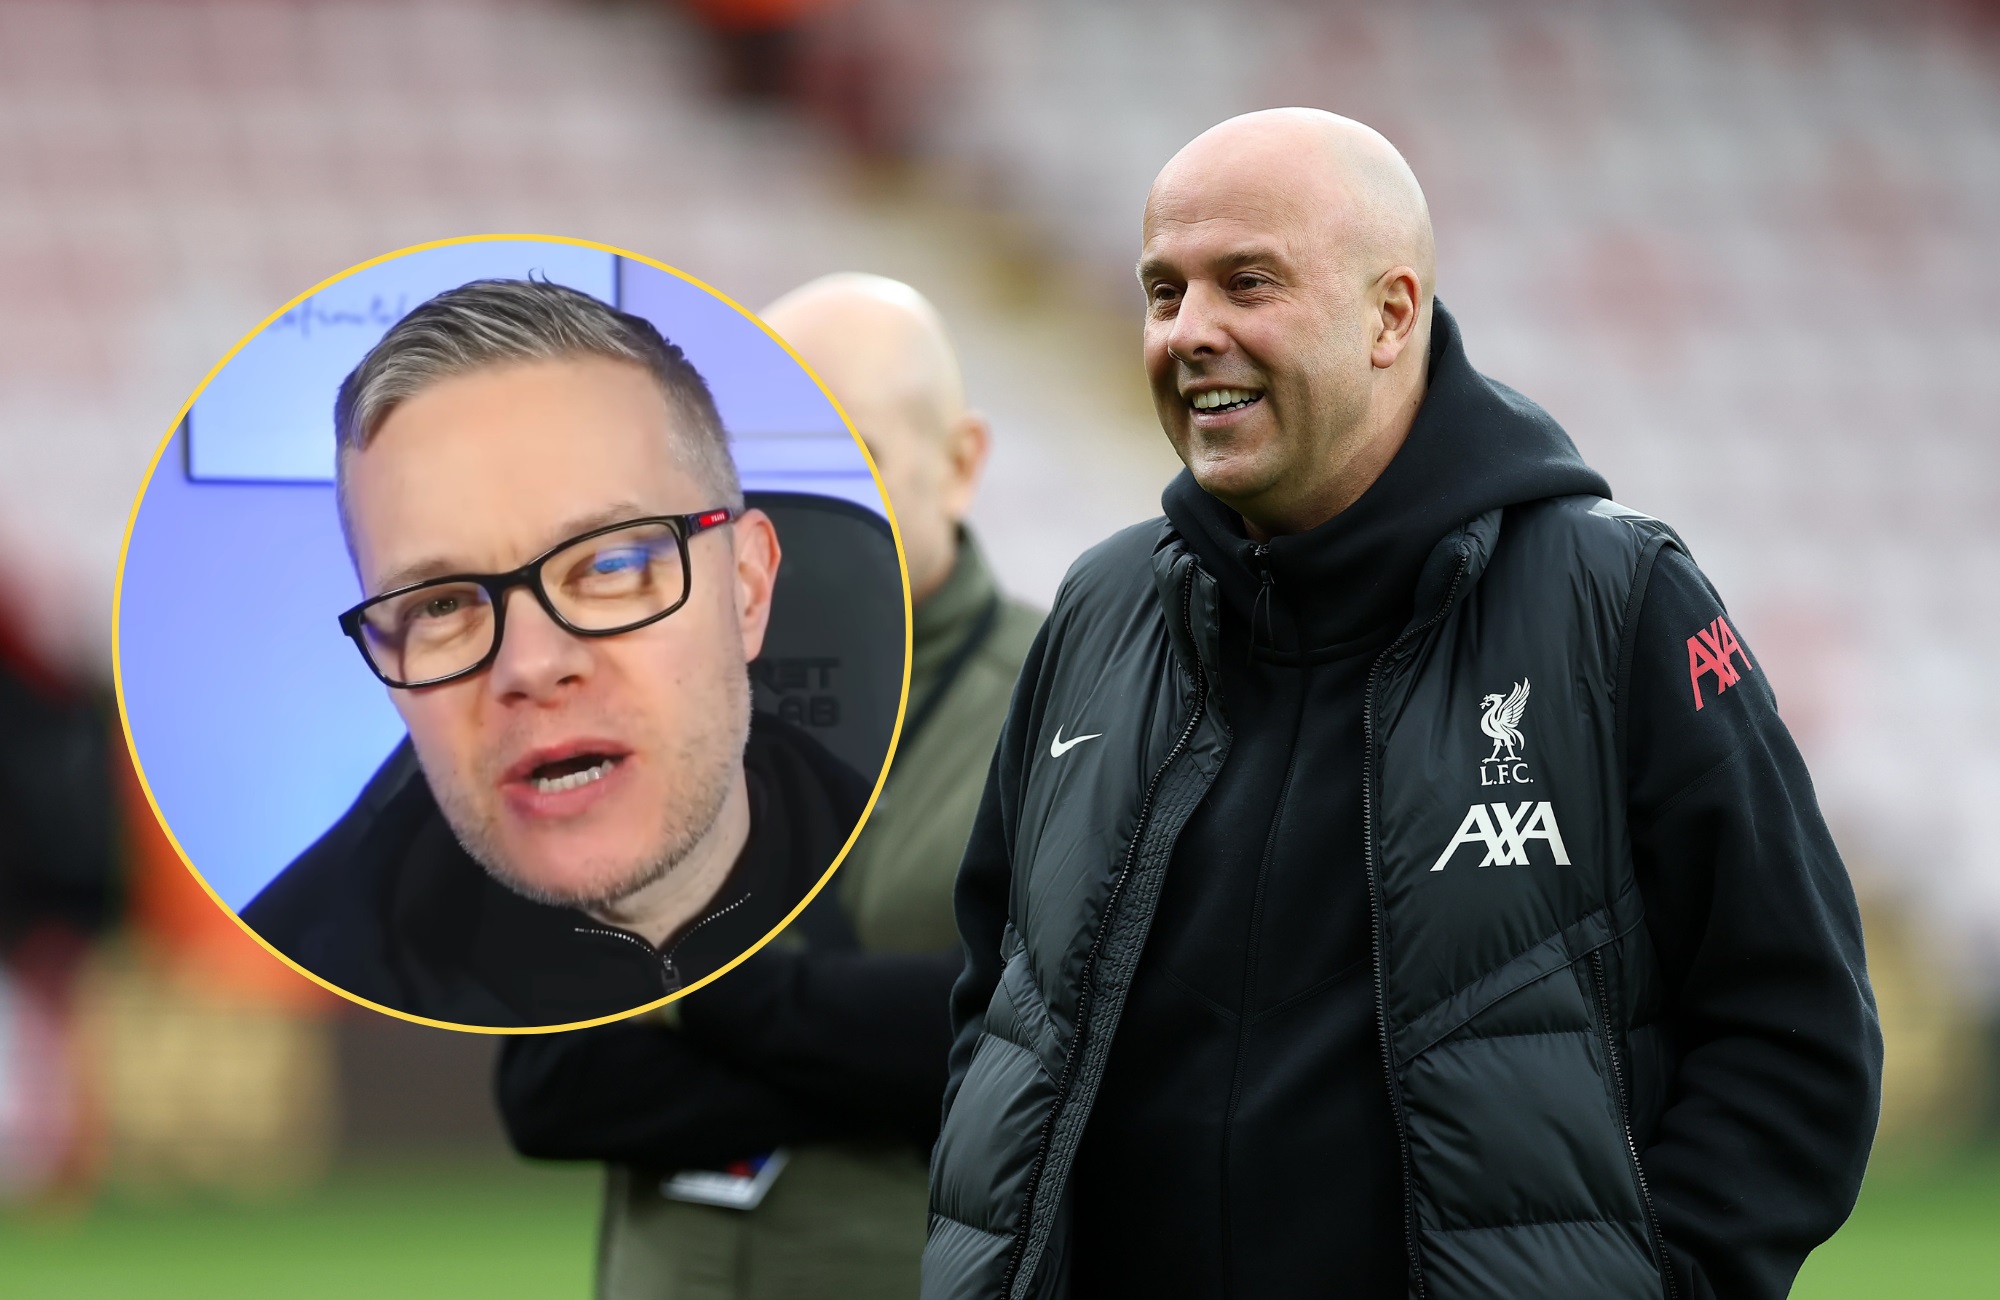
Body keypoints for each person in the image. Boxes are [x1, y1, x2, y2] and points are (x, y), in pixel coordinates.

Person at [925, 109, 1882, 1300]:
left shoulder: (1613, 600)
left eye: (1246, 282)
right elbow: (997, 1006)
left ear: (1389, 314)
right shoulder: (1100, 605)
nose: (1190, 333)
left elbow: (1792, 1031)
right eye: (1162, 292)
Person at [497, 274, 1042, 1297]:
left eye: (856, 460)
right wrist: (881, 1047)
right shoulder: (638, 705)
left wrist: (702, 985)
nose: (801, 517)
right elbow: (548, 1088)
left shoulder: (1071, 706)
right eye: (769, 472)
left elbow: (1049, 1057)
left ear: (960, 465)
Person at [243, 278, 870, 1028]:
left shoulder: (966, 900)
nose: (532, 665)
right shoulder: (295, 996)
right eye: (441, 605)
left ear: (746, 588)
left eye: (607, 566)